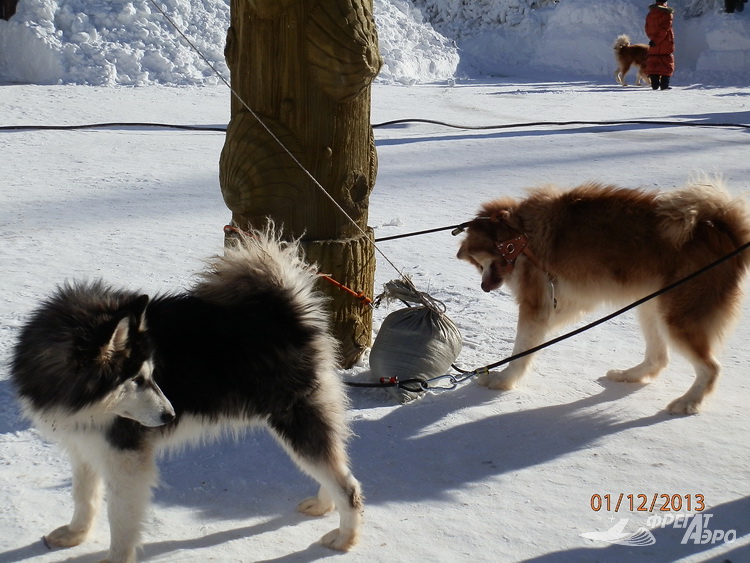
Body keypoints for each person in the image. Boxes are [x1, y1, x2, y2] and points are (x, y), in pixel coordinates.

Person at [645, 0, 675, 90]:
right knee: (666, 63)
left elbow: (647, 27)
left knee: (654, 62)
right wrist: (657, 40)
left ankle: (654, 85)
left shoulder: (650, 13)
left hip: (653, 42)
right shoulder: (667, 14)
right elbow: (664, 29)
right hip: (665, 42)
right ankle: (664, 85)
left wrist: (652, 38)